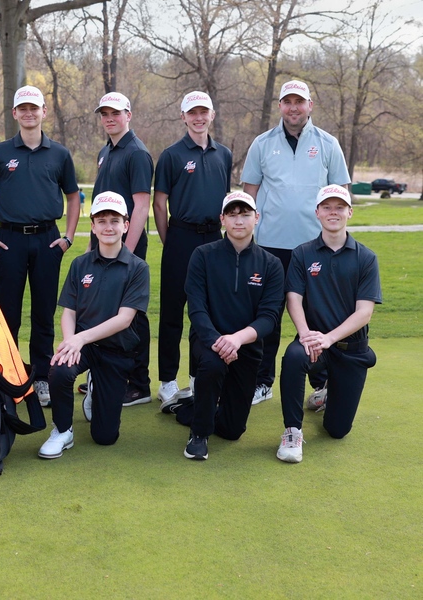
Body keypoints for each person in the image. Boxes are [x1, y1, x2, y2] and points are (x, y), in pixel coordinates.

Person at [241, 79, 350, 405]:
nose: (293, 108)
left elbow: (340, 195)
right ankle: (262, 382)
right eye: (287, 102)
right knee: (268, 316)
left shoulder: (327, 143)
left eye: (299, 102)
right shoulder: (262, 143)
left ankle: (321, 383)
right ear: (280, 106)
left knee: (317, 316)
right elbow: (249, 195)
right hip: (269, 248)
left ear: (309, 105)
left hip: (314, 247)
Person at [0, 84, 80, 406]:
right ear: (14, 113)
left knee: (43, 312)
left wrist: (68, 237)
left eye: (34, 108)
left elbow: (73, 196)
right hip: (9, 240)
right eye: (23, 108)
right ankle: (9, 376)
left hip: (48, 239)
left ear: (43, 112)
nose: (29, 113)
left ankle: (41, 377)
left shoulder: (60, 154)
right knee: (8, 313)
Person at [163, 191, 283, 461]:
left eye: (245, 214)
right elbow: (196, 308)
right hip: (208, 342)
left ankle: (187, 407)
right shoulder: (203, 255)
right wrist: (218, 341)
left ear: (257, 218)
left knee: (231, 430)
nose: (239, 221)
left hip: (247, 347)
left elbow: (269, 318)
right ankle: (199, 434)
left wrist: (236, 340)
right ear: (222, 219)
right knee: (213, 365)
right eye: (232, 215)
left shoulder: (271, 264)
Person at [38, 192, 150, 459]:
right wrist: (70, 341)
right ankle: (62, 430)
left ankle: (95, 387)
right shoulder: (80, 264)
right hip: (85, 347)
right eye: (101, 221)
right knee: (60, 369)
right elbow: (69, 311)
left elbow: (124, 319)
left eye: (115, 221)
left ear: (126, 225)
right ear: (93, 226)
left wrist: (80, 338)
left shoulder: (138, 268)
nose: (108, 227)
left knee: (104, 437)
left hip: (116, 350)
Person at [276, 185, 381, 464]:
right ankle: (292, 431)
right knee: (293, 356)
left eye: (339, 207)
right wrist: (305, 334)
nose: (333, 212)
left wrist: (329, 338)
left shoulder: (366, 258)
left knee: (337, 430)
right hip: (313, 344)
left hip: (350, 348)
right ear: (317, 213)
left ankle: (325, 395)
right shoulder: (302, 253)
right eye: (327, 207)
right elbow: (293, 298)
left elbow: (364, 313)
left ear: (350, 212)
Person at [153, 91, 233, 409]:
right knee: (173, 312)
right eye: (192, 113)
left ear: (212, 115)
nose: (198, 118)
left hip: (214, 239)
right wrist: (170, 240)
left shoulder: (224, 154)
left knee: (206, 312)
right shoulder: (171, 155)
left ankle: (199, 377)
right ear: (183, 117)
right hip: (180, 237)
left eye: (204, 112)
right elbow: (159, 203)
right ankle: (167, 381)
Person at [91, 92, 154, 406]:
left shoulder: (137, 153)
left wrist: (125, 253)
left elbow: (141, 206)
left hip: (126, 248)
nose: (109, 119)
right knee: (106, 308)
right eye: (105, 114)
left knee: (133, 314)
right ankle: (108, 374)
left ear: (128, 115)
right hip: (103, 244)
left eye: (115, 113)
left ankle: (139, 384)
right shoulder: (106, 150)